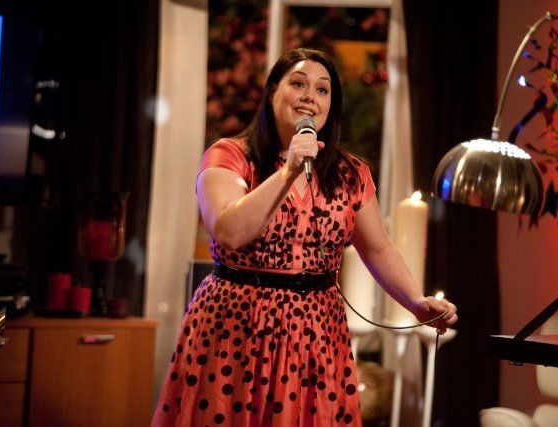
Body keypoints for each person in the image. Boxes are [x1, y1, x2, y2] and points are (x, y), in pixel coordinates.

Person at [152, 48, 457, 426]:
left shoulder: (351, 173)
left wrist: (415, 301)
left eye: (322, 89)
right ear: (272, 92)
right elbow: (230, 231)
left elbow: (378, 248)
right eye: (298, 84)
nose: (310, 96)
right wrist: (289, 170)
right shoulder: (230, 155)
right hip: (236, 325)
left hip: (315, 330)